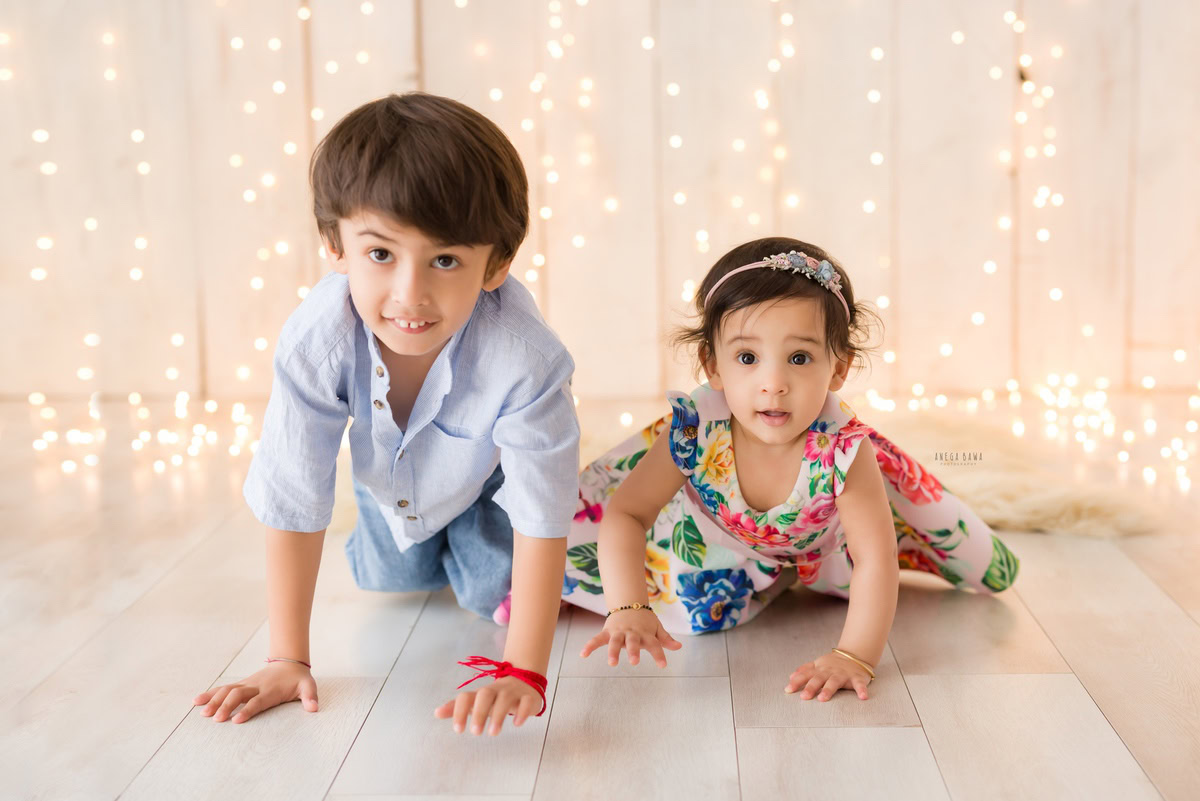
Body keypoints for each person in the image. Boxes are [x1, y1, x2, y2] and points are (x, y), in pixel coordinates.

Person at [192, 92, 579, 737]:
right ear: (334, 244)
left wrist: (526, 672)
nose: (410, 294)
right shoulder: (317, 339)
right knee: (386, 573)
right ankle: (418, 530)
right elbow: (294, 485)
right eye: (380, 255)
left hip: (488, 482)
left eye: (446, 260)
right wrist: (287, 657)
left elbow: (542, 507)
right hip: (389, 483)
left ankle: (474, 538)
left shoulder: (525, 357)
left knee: (492, 594)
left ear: (498, 264)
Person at [563, 237, 1020, 703]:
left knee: (915, 553)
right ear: (712, 365)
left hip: (824, 548)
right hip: (721, 540)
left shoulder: (843, 449)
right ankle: (765, 578)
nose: (774, 384)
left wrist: (855, 654)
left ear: (838, 369)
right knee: (681, 606)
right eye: (747, 358)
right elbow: (628, 513)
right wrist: (628, 605)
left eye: (799, 359)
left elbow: (873, 559)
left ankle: (790, 575)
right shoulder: (695, 430)